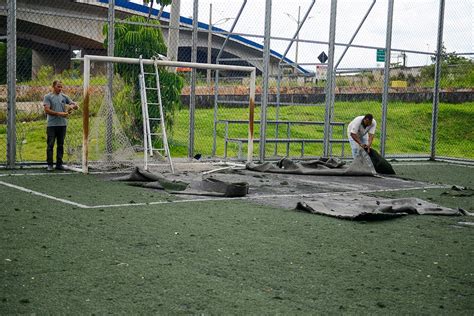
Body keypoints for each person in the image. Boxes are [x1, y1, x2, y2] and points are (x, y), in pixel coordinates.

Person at [43, 80, 78, 171]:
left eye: (61, 87)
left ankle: (59, 164)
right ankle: (50, 164)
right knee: (50, 145)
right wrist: (59, 113)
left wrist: (73, 106)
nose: (60, 88)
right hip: (51, 125)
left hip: (62, 124)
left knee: (60, 145)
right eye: (58, 86)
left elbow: (74, 105)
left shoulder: (64, 96)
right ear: (53, 86)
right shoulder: (48, 97)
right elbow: (47, 110)